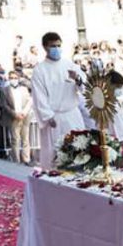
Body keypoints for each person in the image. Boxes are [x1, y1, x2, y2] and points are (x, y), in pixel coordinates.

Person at [31, 32, 85, 169]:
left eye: (58, 45)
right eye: (52, 46)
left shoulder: (69, 65)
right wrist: (48, 116)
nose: (56, 48)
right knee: (54, 155)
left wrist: (77, 79)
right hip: (54, 118)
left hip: (72, 114)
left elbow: (86, 87)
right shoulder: (40, 70)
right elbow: (39, 95)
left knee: (79, 151)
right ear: (45, 47)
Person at [0, 69, 34, 165]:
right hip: (13, 117)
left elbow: (29, 101)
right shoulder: (4, 90)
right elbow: (4, 105)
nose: (13, 79)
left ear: (18, 78)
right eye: (11, 78)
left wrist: (24, 112)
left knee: (25, 138)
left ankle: (27, 160)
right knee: (15, 139)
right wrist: (15, 114)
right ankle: (16, 160)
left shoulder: (24, 89)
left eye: (15, 78)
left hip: (25, 116)